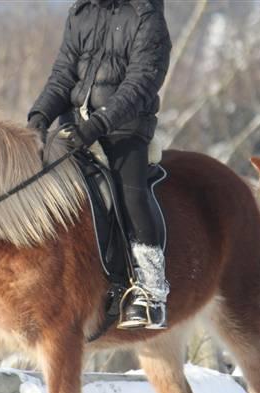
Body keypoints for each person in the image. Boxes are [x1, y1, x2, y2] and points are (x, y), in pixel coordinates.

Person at [27, 0, 172, 329]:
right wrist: (39, 116)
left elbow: (141, 84)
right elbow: (63, 76)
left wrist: (98, 125)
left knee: (131, 194)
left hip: (125, 128)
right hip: (75, 126)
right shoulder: (81, 12)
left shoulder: (145, 16)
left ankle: (150, 291)